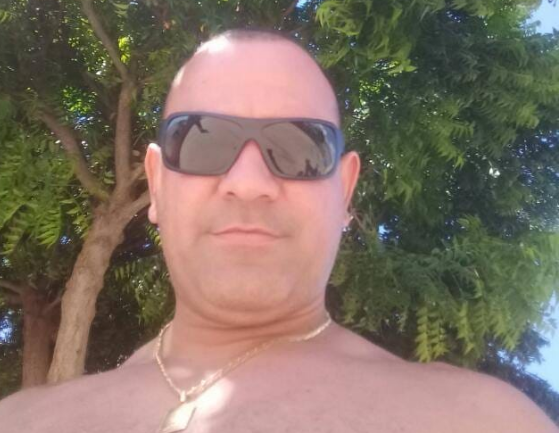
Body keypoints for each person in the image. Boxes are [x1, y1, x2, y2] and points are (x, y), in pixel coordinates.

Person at [0, 29, 557, 433]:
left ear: (344, 192)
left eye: (298, 147)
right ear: (158, 183)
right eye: (202, 139)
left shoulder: (481, 420)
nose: (248, 183)